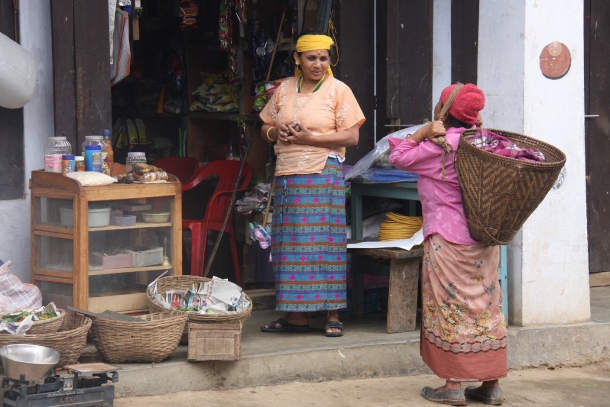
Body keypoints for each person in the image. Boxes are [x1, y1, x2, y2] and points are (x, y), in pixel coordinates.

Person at [388, 83, 507, 406]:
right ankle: (491, 383)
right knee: (486, 306)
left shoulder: (443, 145)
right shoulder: (486, 142)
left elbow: (396, 155)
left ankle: (452, 383)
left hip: (448, 241)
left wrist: (423, 132)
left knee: (449, 308)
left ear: (444, 110)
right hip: (484, 239)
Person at [258, 31, 365, 337]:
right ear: (297, 59)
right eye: (311, 58)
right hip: (288, 176)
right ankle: (295, 316)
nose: (318, 64)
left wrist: (311, 139)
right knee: (290, 245)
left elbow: (351, 136)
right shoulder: (284, 90)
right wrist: (274, 134)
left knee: (324, 243)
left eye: (323, 58)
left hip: (322, 176)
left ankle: (332, 313)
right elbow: (266, 123)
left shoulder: (337, 90)